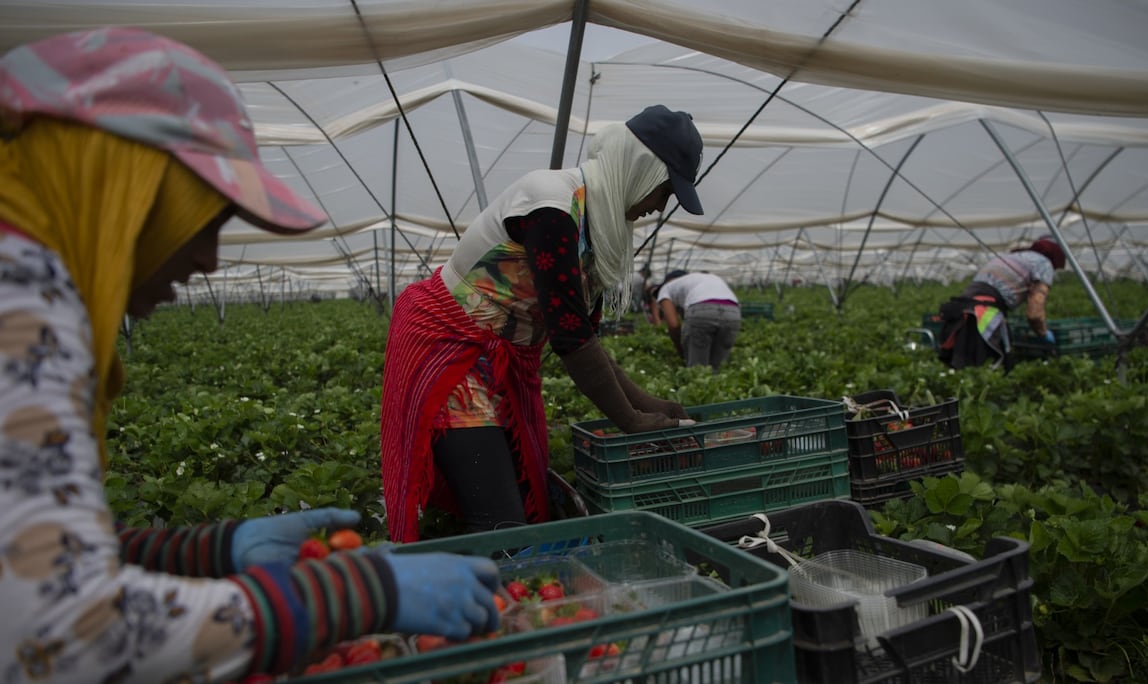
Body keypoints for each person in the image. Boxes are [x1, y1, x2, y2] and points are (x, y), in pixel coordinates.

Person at [0, 28, 501, 683]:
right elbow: (57, 633)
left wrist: (209, 550)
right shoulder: (20, 298)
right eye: (201, 219)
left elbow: (32, 562)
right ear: (124, 188)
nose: (208, 259)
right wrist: (357, 595)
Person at [380, 105, 703, 543]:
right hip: (452, 346)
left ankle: (497, 584)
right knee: (502, 522)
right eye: (663, 191)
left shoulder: (598, 225)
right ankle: (471, 602)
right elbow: (571, 338)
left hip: (502, 358)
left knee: (516, 492)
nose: (660, 206)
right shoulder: (554, 205)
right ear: (639, 173)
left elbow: (584, 336)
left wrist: (649, 405)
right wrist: (631, 420)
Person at [936, 235, 1067, 369]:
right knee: (989, 369)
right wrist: (1044, 333)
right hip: (984, 315)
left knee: (964, 369)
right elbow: (1034, 313)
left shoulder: (1015, 256)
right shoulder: (1044, 264)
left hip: (963, 310)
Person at [650, 270, 742, 371]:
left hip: (702, 310)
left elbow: (674, 325)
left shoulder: (665, 289)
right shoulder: (703, 278)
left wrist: (681, 350)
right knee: (719, 367)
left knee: (698, 369)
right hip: (733, 311)